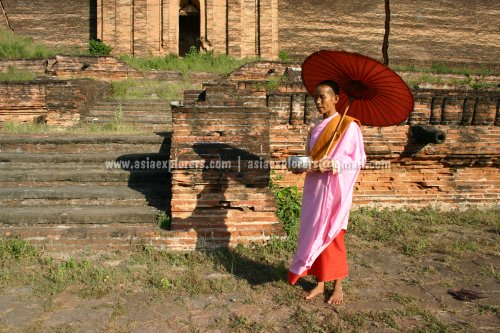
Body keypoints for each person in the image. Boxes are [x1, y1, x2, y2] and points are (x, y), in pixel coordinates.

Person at [287, 80, 366, 305]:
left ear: (336, 99)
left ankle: (338, 287)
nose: (318, 102)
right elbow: (310, 159)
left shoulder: (349, 125)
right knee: (314, 234)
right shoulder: (315, 127)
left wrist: (333, 164)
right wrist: (299, 165)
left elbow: (358, 160)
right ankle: (320, 283)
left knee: (333, 236)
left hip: (335, 190)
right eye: (315, 97)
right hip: (315, 189)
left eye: (323, 97)